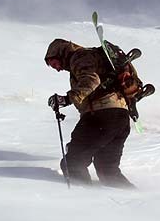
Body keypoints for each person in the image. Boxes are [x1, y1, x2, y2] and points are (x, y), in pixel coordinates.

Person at [44, 38, 135, 188]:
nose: (58, 69)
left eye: (55, 64)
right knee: (108, 170)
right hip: (121, 118)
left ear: (60, 53)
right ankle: (141, 203)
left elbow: (91, 80)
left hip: (99, 116)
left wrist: (66, 99)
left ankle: (84, 205)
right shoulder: (92, 57)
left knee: (73, 163)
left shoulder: (79, 57)